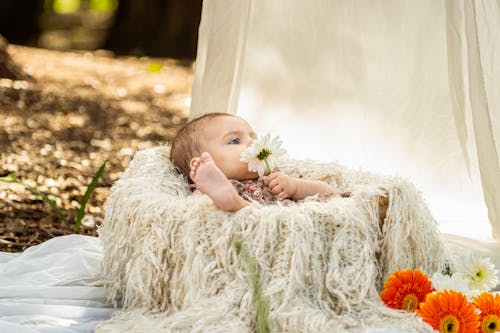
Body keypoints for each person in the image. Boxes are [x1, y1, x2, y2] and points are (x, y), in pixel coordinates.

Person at [170, 113, 339, 212]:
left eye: (253, 137)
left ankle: (239, 206)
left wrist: (294, 187)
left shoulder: (273, 175)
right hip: (253, 225)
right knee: (235, 209)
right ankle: (237, 205)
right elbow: (194, 212)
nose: (252, 143)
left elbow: (330, 193)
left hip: (288, 226)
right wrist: (206, 185)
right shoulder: (211, 188)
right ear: (199, 164)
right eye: (235, 141)